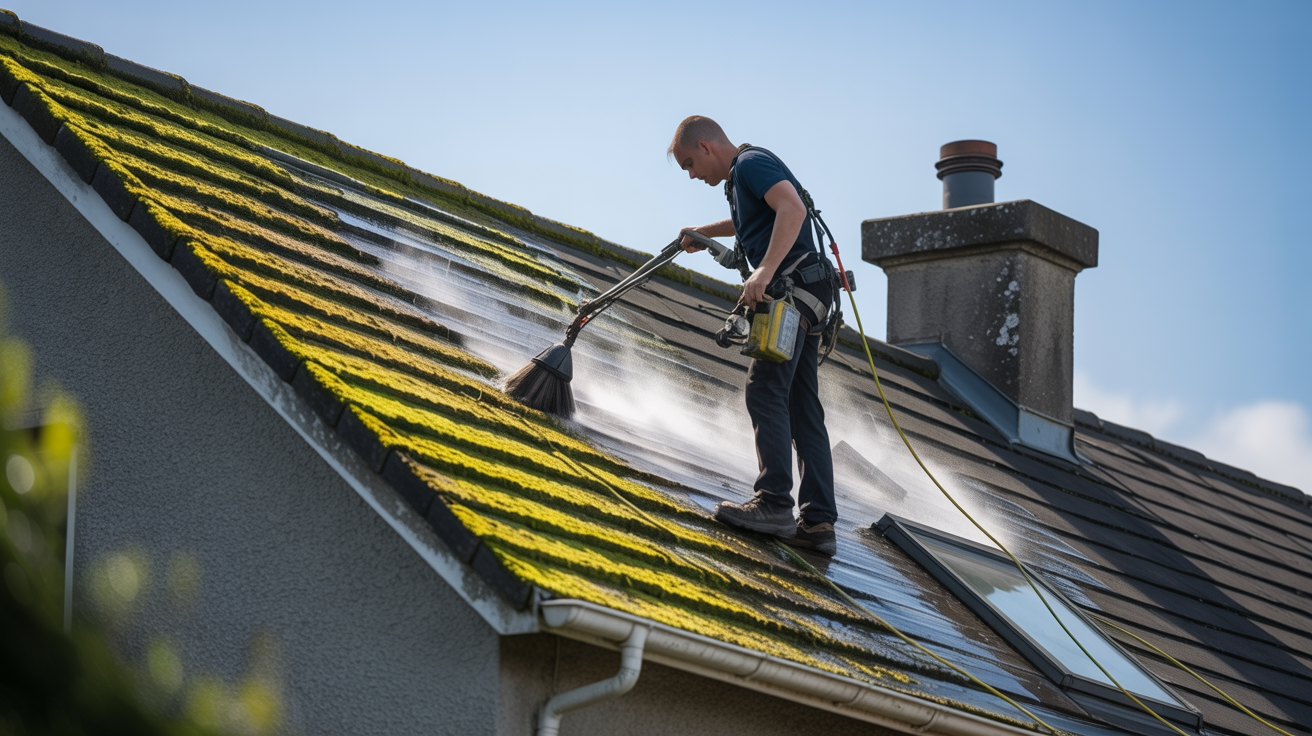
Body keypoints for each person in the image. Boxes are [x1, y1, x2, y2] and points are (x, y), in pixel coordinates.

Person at [670, 115, 838, 556]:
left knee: (764, 388)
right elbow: (753, 216)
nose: (691, 174)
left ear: (706, 146)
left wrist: (763, 271)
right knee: (802, 405)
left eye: (690, 163)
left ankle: (774, 502)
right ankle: (819, 524)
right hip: (810, 294)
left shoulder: (749, 164)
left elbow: (792, 209)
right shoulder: (742, 179)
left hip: (791, 292)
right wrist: (703, 234)